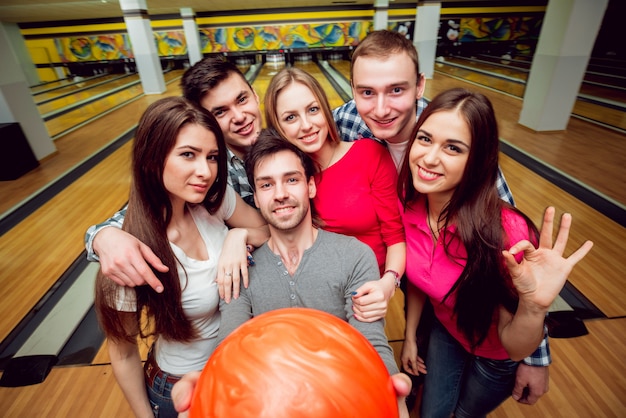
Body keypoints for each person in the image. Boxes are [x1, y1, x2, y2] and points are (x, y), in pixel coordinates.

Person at [332, 29, 551, 405]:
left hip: (455, 273)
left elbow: (515, 259)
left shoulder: (453, 127)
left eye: (397, 90)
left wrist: (536, 356)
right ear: (352, 90)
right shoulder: (347, 124)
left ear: (419, 86)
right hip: (405, 261)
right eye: (366, 92)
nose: (381, 109)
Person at [397, 88, 593, 417]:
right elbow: (418, 279)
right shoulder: (410, 209)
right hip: (447, 332)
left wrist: (533, 307)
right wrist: (410, 336)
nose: (429, 158)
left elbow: (514, 345)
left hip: (495, 356)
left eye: (453, 148)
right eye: (425, 139)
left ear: (477, 160)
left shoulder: (506, 234)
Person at [94, 97, 268, 418]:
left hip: (237, 372)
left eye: (213, 157)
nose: (205, 171)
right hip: (179, 388)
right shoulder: (129, 255)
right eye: (188, 155)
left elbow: (262, 230)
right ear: (152, 158)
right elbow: (123, 354)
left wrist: (236, 234)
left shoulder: (214, 204)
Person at [216, 133, 410, 418]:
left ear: (310, 186)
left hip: (343, 403)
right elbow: (228, 352)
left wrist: (390, 393)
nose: (280, 193)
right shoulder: (240, 267)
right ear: (256, 198)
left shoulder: (354, 256)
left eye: (291, 179)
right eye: (267, 184)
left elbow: (370, 342)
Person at [85, 57, 263, 300]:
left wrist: (242, 234)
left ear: (255, 95)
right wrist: (102, 237)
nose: (240, 116)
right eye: (220, 111)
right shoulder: (208, 176)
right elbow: (139, 214)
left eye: (242, 99)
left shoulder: (292, 138)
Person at [263, 66, 405, 320]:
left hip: (366, 295)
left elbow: (396, 237)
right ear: (278, 127)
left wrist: (388, 283)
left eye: (312, 110)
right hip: (314, 296)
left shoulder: (369, 155)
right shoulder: (287, 181)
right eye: (290, 118)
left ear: (326, 110)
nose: (306, 125)